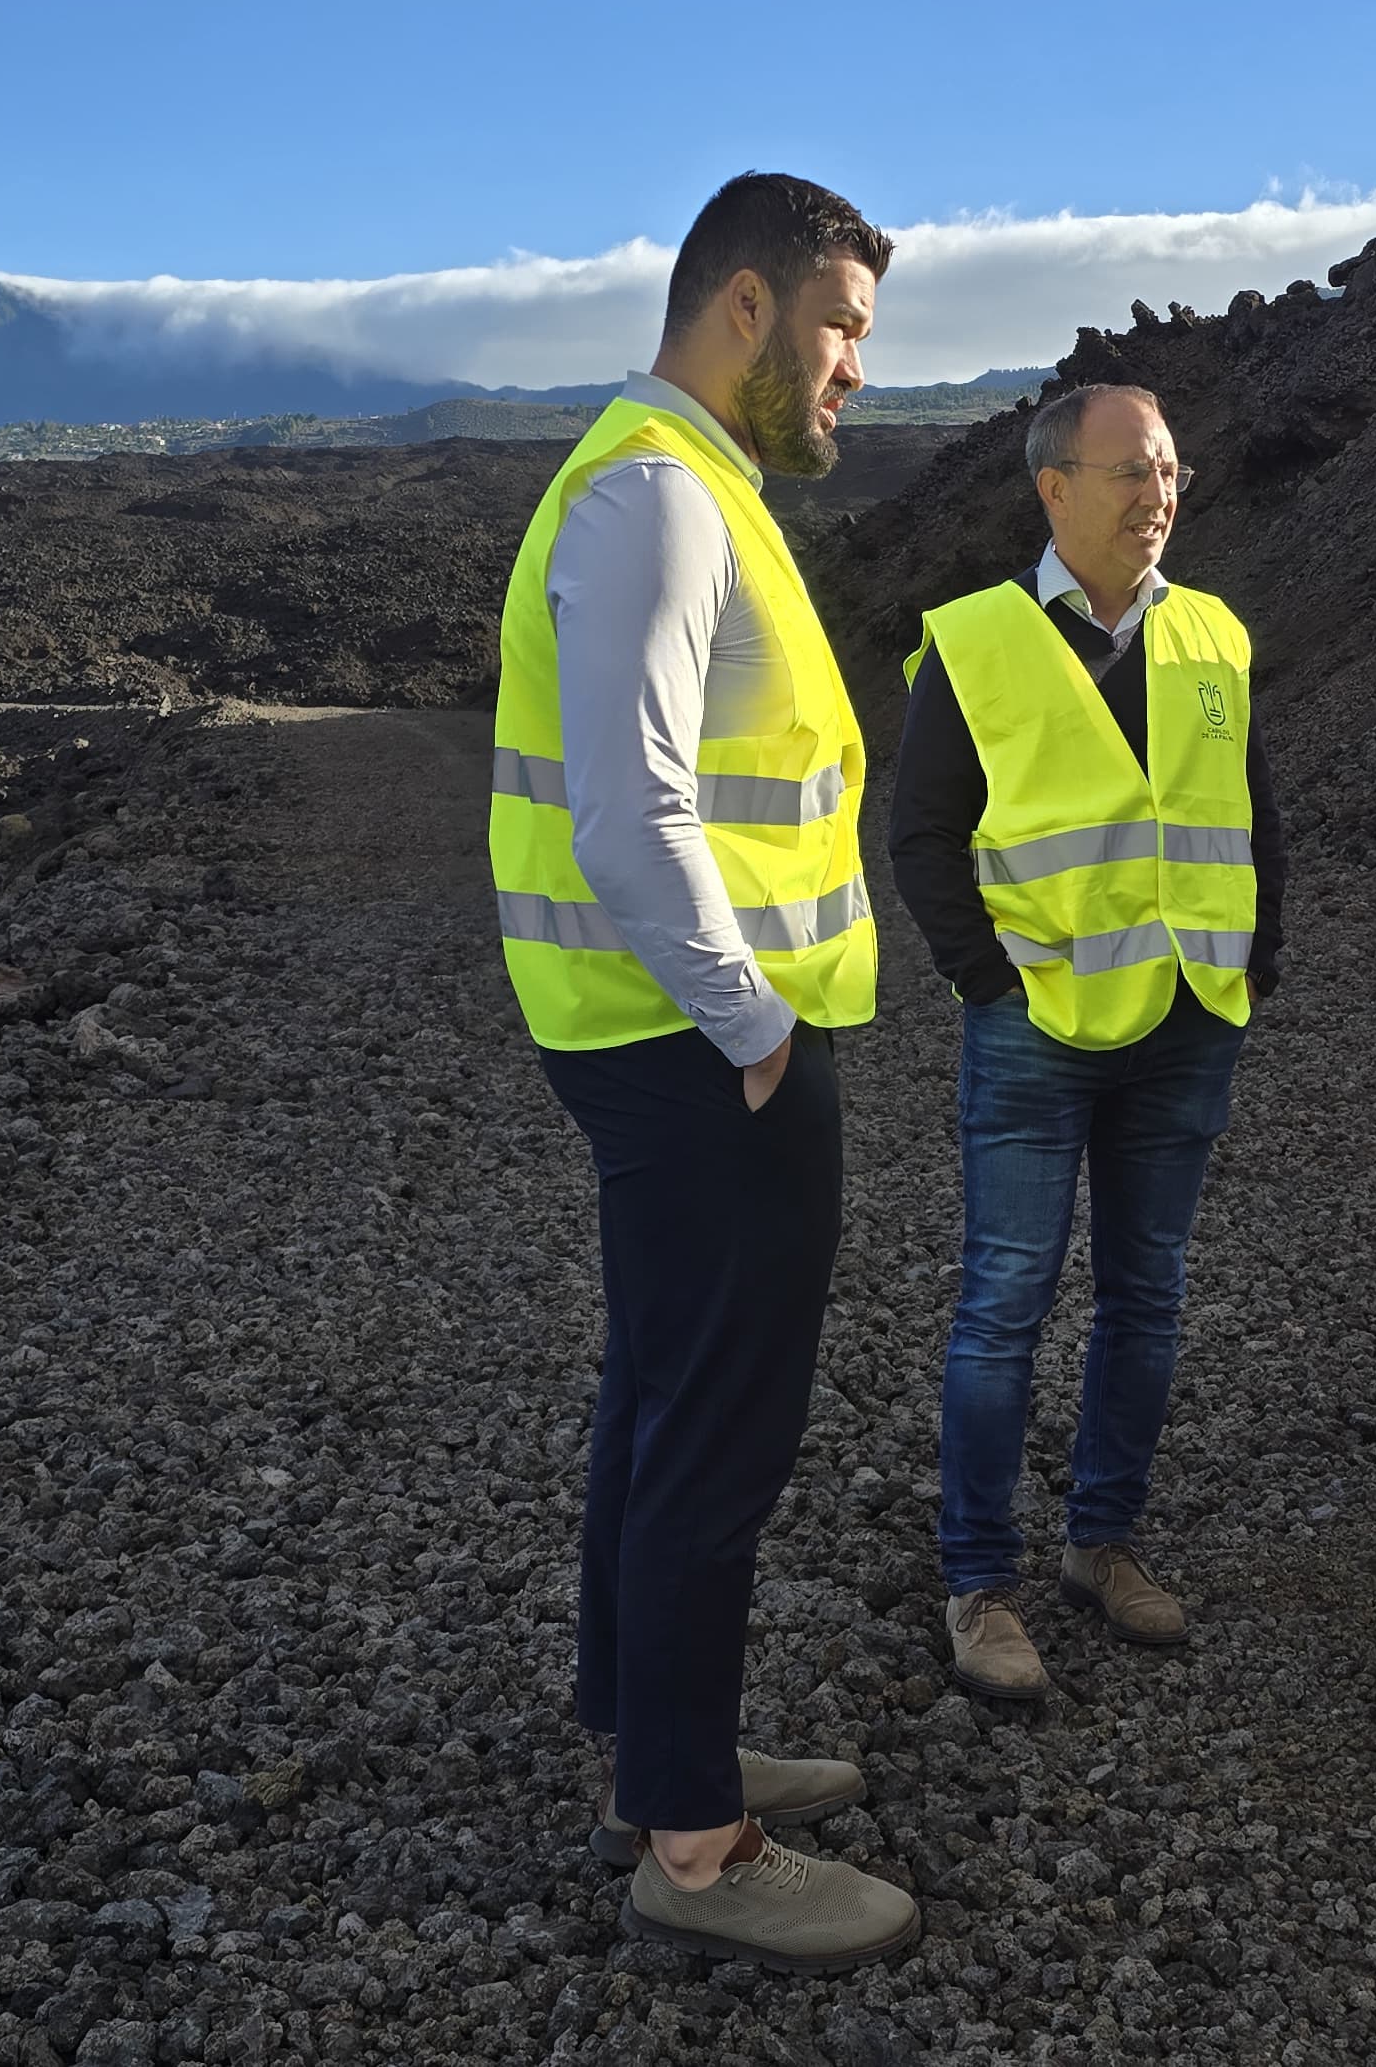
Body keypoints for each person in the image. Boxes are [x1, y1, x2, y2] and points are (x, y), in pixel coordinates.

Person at [486, 171, 921, 1973]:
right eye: (837, 332)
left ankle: (652, 1745)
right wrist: (755, 1026)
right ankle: (695, 1845)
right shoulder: (661, 500)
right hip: (699, 1049)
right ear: (742, 308)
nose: (851, 376)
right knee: (718, 1438)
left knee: (660, 1396)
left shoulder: (682, 488)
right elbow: (630, 806)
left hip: (666, 1043)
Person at [890, 383, 1285, 1700]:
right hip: (1037, 1031)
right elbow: (923, 836)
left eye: (1169, 471)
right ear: (1054, 488)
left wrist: (1254, 960)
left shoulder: (1215, 636)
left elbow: (1249, 817)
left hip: (1188, 1020)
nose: (1156, 494)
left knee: (1148, 1299)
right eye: (1129, 472)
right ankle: (979, 1580)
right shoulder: (976, 644)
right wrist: (985, 982)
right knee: (1005, 1304)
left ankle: (1102, 1546)